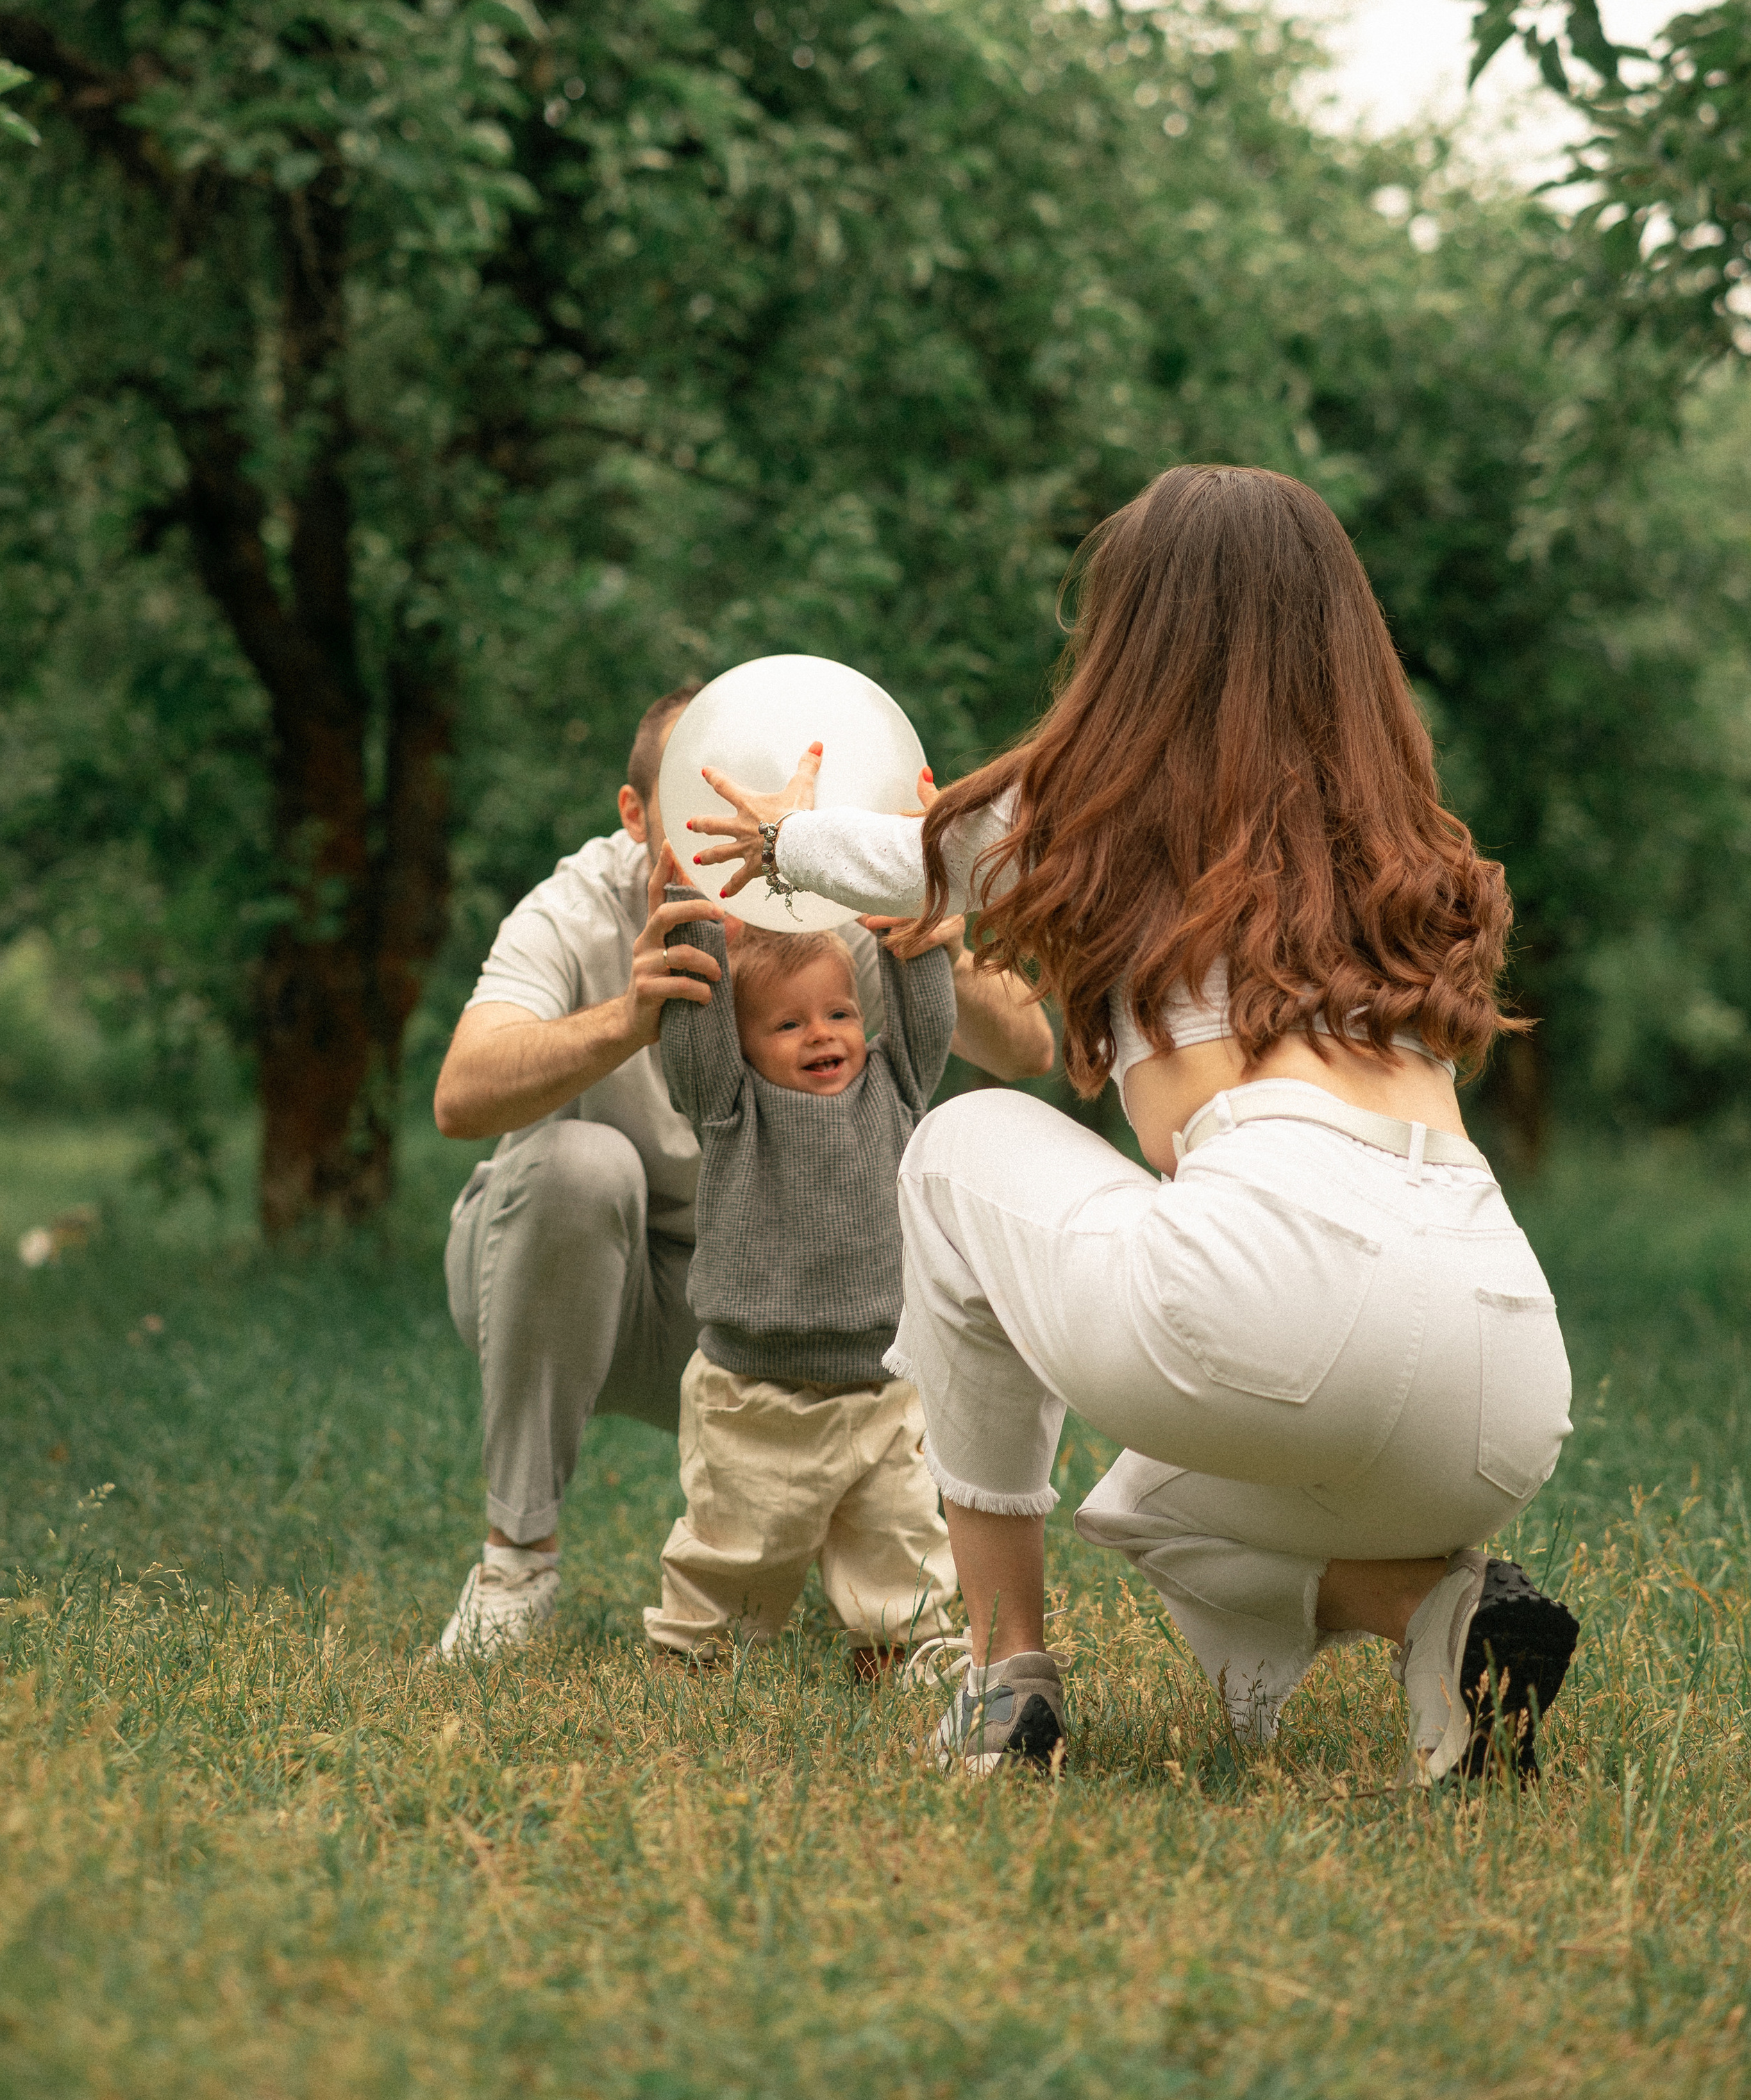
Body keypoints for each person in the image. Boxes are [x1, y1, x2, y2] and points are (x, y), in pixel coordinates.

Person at [686, 467, 1580, 1783]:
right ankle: (1438, 1618)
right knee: (1146, 1501)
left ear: (1136, 643)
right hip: (1504, 1379)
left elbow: (903, 851)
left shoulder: (1100, 809)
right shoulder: (1397, 844)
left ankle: (1006, 1683)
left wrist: (783, 837)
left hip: (1276, 1302)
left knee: (955, 1152)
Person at [430, 685, 1054, 1659]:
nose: (723, 828)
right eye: (691, 798)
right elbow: (460, 1097)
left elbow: (1028, 1050)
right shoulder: (579, 902)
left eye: (743, 797)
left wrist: (935, 932)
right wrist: (629, 1019)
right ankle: (517, 1561)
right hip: (601, 1292)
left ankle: (856, 1570)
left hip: (800, 1297)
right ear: (637, 813)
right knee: (576, 1166)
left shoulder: (811, 895)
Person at [642, 895, 960, 1669]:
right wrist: (695, 921)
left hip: (882, 1384)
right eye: (787, 1025)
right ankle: (699, 1653)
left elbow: (926, 1014)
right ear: (742, 1045)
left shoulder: (896, 1086)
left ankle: (899, 1649)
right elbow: (692, 1038)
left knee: (902, 1538)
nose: (822, 1034)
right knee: (736, 1543)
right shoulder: (729, 1107)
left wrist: (902, 914)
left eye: (840, 1014)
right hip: (756, 1394)